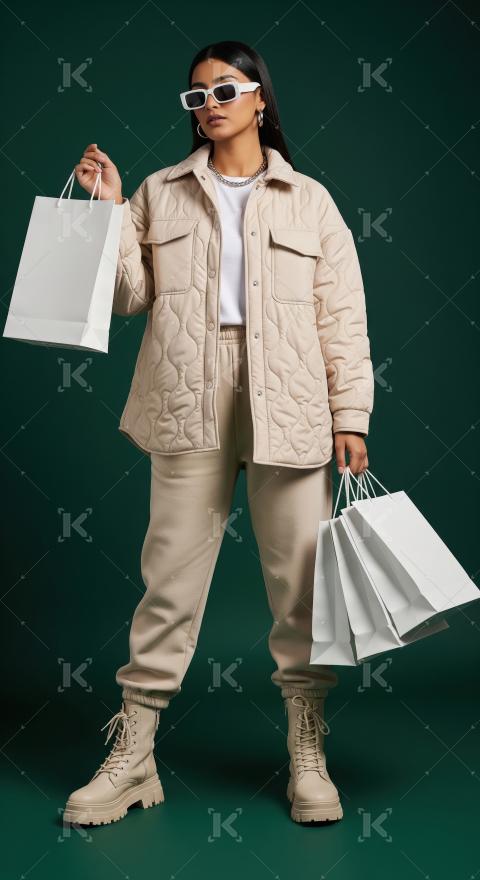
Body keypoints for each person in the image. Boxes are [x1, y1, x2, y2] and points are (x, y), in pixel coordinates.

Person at [63, 39, 374, 827]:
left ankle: (307, 752)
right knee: (169, 580)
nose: (210, 104)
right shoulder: (159, 192)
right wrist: (109, 210)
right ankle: (134, 755)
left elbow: (342, 317)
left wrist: (351, 416)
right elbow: (129, 296)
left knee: (300, 586)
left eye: (226, 89)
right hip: (186, 396)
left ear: (261, 97)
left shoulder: (310, 200)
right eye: (196, 95)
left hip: (292, 399)